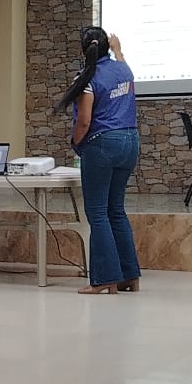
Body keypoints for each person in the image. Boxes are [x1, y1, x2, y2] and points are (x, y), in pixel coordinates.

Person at [59, 25, 140, 294]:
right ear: (107, 47)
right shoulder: (123, 70)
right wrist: (118, 49)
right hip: (130, 142)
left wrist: (75, 143)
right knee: (116, 210)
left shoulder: (87, 77)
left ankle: (105, 278)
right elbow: (122, 61)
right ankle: (129, 276)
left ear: (84, 50)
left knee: (97, 212)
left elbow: (84, 121)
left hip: (102, 144)